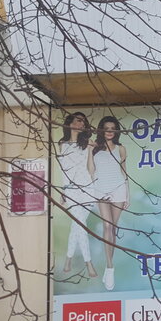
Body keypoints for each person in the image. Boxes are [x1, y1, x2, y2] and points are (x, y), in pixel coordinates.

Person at [88, 116, 129, 291]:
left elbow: (125, 172)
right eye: (106, 128)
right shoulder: (95, 149)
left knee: (113, 228)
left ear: (116, 131)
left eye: (113, 128)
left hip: (119, 188)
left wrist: (128, 195)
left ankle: (108, 266)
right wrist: (89, 151)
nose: (110, 131)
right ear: (101, 130)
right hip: (101, 189)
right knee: (107, 225)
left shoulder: (121, 149)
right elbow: (91, 171)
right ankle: (110, 267)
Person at [56, 112, 96, 278]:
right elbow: (63, 170)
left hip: (87, 189)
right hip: (71, 190)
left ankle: (68, 260)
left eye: (83, 122)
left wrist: (91, 151)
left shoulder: (86, 144)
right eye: (79, 121)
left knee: (77, 225)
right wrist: (63, 191)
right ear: (70, 123)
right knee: (80, 224)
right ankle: (89, 263)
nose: (82, 124)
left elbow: (90, 170)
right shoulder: (62, 144)